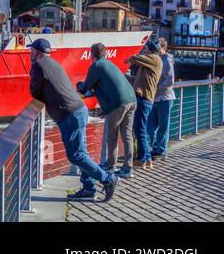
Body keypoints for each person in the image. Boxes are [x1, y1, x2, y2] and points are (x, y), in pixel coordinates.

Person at [30, 38, 117, 201]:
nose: (29, 53)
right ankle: (89, 188)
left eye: (31, 50)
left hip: (68, 114)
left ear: (36, 52)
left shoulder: (38, 65)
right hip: (79, 109)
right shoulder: (55, 64)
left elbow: (34, 91)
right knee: (81, 152)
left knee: (76, 155)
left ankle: (108, 178)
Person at [77, 43, 137, 179]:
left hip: (118, 103)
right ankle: (128, 168)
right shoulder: (109, 64)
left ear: (92, 55)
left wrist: (79, 86)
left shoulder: (97, 66)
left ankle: (110, 165)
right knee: (127, 135)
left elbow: (85, 87)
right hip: (132, 99)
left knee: (112, 135)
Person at [127, 41, 162, 169]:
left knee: (139, 129)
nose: (145, 51)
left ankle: (142, 159)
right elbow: (136, 81)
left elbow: (135, 57)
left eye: (146, 49)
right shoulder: (147, 65)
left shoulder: (155, 59)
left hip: (144, 99)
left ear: (150, 50)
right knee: (139, 129)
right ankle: (147, 159)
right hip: (142, 99)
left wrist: (128, 59)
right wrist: (123, 76)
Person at [149, 38, 176, 159]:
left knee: (163, 126)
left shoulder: (167, 60)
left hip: (165, 97)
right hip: (155, 97)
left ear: (163, 47)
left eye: (158, 47)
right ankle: (156, 148)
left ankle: (160, 150)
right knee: (150, 127)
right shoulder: (158, 59)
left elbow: (170, 80)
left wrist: (156, 86)